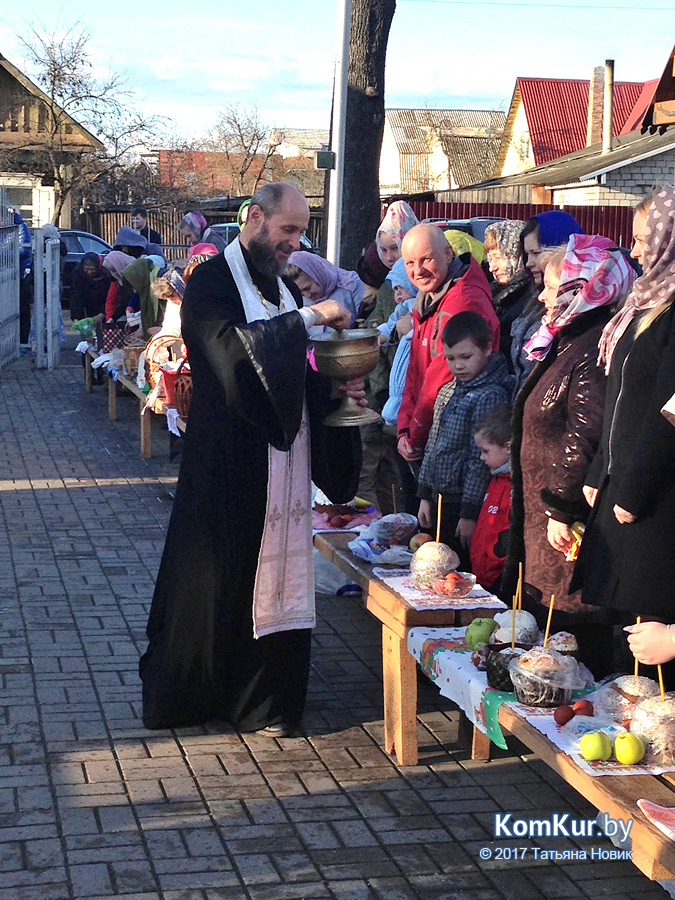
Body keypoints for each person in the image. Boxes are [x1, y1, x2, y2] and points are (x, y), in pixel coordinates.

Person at [139, 183, 364, 736]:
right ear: (256, 219)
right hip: (226, 463)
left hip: (282, 464)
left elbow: (294, 372)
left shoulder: (282, 289)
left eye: (301, 231)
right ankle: (203, 697)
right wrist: (311, 318)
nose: (296, 243)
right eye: (288, 230)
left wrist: (337, 392)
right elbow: (230, 352)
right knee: (220, 578)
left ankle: (265, 699)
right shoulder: (213, 280)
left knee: (272, 576)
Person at [504, 235, 635, 678]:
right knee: (550, 625)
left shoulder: (593, 345)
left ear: (582, 288)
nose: (540, 294)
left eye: (551, 284)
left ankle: (574, 716)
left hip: (566, 521)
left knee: (573, 631)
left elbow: (586, 432)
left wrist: (561, 505)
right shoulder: (568, 339)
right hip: (546, 514)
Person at [572, 187, 675, 679]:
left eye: (640, 240)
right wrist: (598, 472)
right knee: (622, 636)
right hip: (620, 487)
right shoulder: (644, 305)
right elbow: (618, 399)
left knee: (650, 642)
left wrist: (633, 489)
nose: (633, 252)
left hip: (654, 502)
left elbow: (671, 413)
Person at [416, 312, 512, 570]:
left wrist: (469, 513)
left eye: (466, 357)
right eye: (451, 358)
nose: (458, 366)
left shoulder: (490, 396)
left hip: (462, 502)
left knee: (457, 571)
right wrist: (424, 494)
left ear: (488, 348)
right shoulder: (448, 390)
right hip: (438, 497)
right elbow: (432, 444)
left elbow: (479, 460)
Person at [397, 224, 499, 464]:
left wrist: (415, 433)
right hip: (429, 431)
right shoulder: (427, 298)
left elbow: (441, 375)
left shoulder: (462, 300)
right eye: (410, 263)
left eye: (426, 259)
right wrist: (405, 428)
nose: (418, 270)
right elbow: (415, 370)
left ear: (448, 254)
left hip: (457, 436)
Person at [510, 211, 585, 392]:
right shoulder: (531, 299)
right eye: (526, 254)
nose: (529, 263)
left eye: (536, 253)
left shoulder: (575, 311)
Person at [470, 405, 512, 593]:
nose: (481, 457)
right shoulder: (496, 478)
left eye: (485, 451)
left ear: (508, 447)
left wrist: (495, 558)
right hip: (483, 568)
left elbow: (508, 530)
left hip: (497, 572)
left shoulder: (514, 484)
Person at [483, 220, 532, 366]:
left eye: (498, 257)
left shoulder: (532, 298)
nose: (492, 267)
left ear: (518, 254)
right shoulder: (494, 293)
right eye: (490, 258)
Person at [286, 251, 364, 332]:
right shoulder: (297, 300)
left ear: (318, 276)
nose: (307, 295)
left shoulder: (352, 285)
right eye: (301, 293)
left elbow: (365, 324)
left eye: (307, 288)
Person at [70, 252, 112, 320]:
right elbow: (75, 296)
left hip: (102, 305)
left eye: (92, 269)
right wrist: (76, 318)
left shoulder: (105, 275)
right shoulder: (77, 273)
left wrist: (102, 313)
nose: (89, 272)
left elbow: (108, 297)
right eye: (86, 269)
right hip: (87, 305)